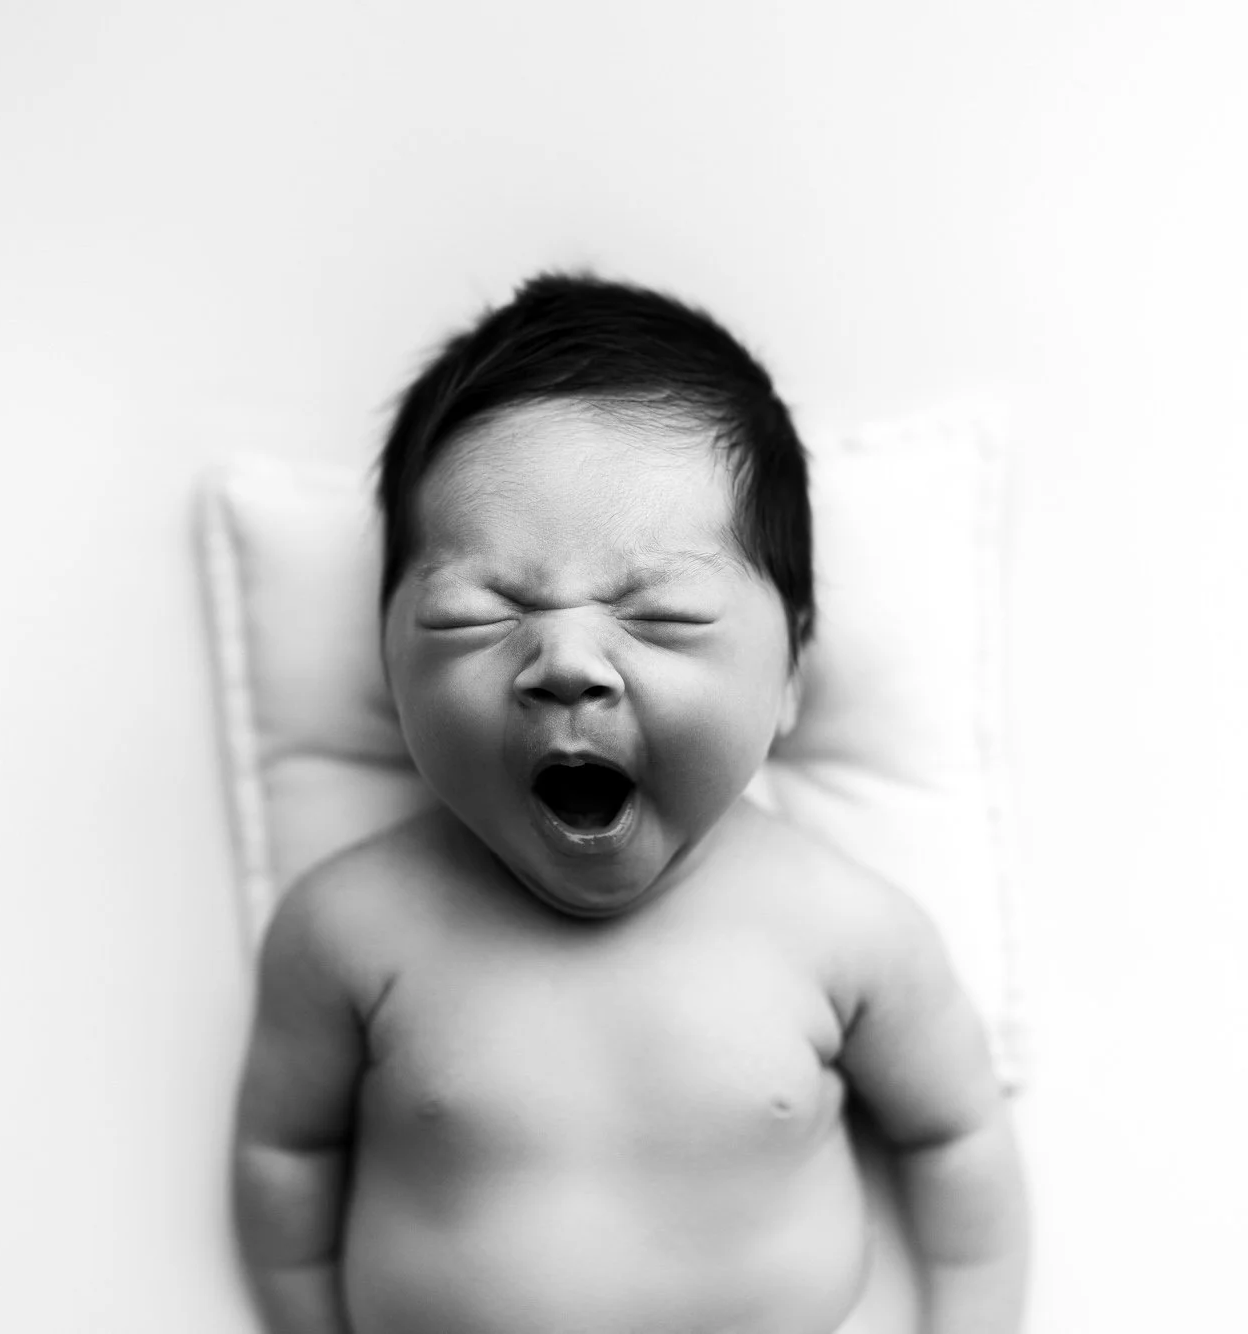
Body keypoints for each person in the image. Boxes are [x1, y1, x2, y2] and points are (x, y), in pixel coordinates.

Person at [232, 273, 1029, 1334]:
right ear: (387, 667)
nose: (564, 659)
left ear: (791, 670)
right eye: (478, 613)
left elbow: (956, 1138)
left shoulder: (846, 930)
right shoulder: (347, 928)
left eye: (661, 614)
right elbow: (284, 1152)